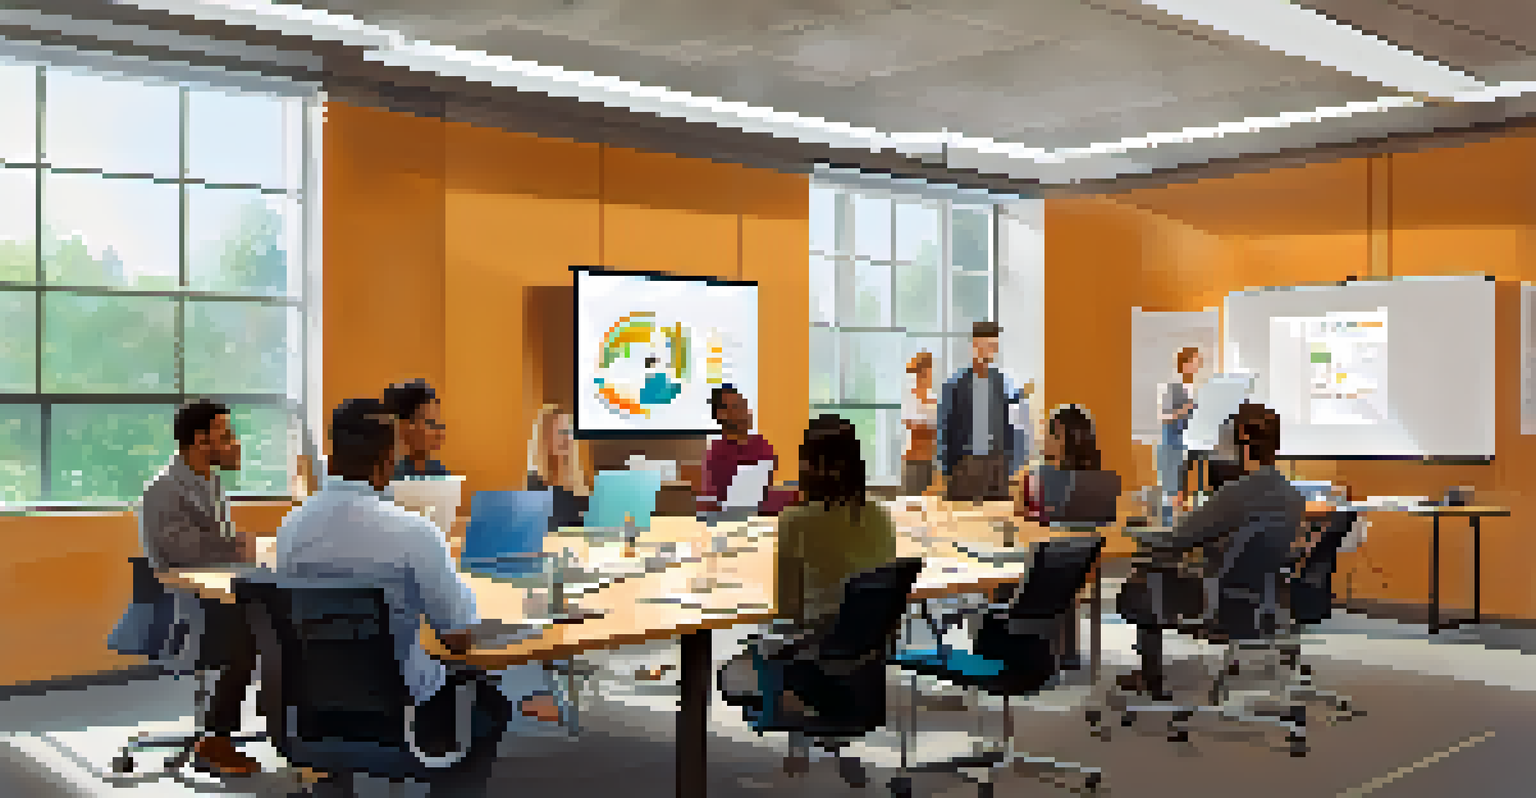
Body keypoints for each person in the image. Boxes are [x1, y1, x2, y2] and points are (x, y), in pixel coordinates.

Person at [274, 398, 561, 762]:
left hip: (312, 703)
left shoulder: (291, 529)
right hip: (402, 711)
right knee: (491, 703)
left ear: (334, 457)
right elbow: (458, 637)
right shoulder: (412, 531)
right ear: (387, 462)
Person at [1115, 402, 1305, 700]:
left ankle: (1150, 677)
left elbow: (1178, 539)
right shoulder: (1291, 495)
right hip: (1263, 598)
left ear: (1239, 439)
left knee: (1143, 577)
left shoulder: (1234, 494)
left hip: (1218, 600)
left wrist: (1131, 532)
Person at [138, 399, 260, 776]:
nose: (236, 443)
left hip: (212, 594)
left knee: (276, 617)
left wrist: (246, 550)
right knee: (257, 630)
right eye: (226, 436)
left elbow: (218, 548)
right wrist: (238, 547)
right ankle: (216, 739)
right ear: (199, 440)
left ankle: (292, 729)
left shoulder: (209, 481)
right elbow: (182, 551)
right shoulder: (164, 489)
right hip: (182, 604)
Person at [937, 320, 1033, 503]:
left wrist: (1012, 464)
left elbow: (1010, 423)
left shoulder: (1001, 381)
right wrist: (945, 470)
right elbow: (944, 427)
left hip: (997, 463)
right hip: (966, 463)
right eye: (986, 345)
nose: (990, 351)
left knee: (998, 518)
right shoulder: (955, 383)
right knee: (963, 519)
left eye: (994, 346)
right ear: (974, 345)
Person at [1027, 404, 1120, 526]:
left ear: (1060, 436)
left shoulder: (1044, 477)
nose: (1043, 440)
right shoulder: (1104, 483)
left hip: (1052, 542)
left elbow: (1032, 523)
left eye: (1047, 434)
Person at [697, 384, 777, 513]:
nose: (746, 412)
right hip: (728, 520)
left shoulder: (763, 445)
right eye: (737, 407)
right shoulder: (717, 453)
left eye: (745, 406)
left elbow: (769, 490)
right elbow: (712, 502)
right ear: (721, 414)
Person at [526, 404, 590, 531]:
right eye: (561, 432)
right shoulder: (531, 486)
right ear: (545, 438)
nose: (567, 438)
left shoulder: (577, 484)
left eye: (569, 432)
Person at [1157, 347, 1201, 525]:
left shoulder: (1193, 388)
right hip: (1172, 442)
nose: (1198, 365)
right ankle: (1168, 528)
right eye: (1195, 361)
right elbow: (1165, 416)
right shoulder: (1173, 386)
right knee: (1171, 491)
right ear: (1186, 363)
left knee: (1184, 490)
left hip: (1188, 442)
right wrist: (1184, 410)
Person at [384, 378, 449, 478]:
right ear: (402, 427)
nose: (440, 433)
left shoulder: (437, 470)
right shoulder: (385, 475)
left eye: (441, 426)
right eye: (431, 424)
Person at [900, 351, 938, 497]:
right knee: (912, 504)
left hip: (931, 461)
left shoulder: (933, 399)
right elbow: (913, 428)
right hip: (913, 461)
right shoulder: (909, 397)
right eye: (925, 373)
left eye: (930, 372)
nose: (928, 377)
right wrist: (932, 429)